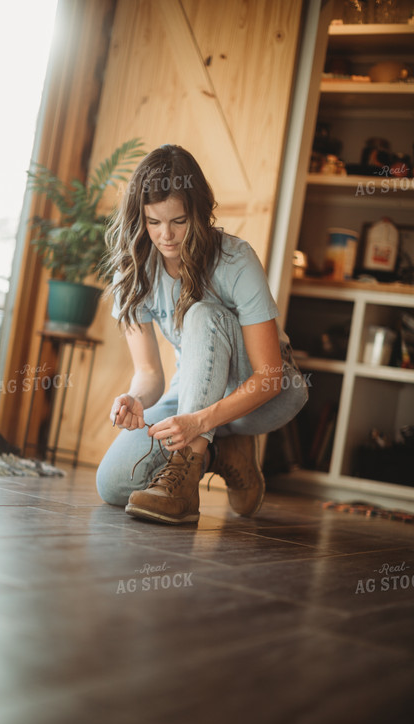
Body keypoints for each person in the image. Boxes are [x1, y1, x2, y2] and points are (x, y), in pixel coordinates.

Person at [96, 144, 307, 525]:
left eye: (178, 220)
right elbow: (150, 375)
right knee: (112, 484)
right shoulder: (134, 272)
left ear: (199, 211)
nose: (166, 236)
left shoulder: (235, 259)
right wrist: (135, 398)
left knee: (202, 313)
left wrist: (197, 423)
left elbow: (270, 377)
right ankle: (222, 453)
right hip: (194, 388)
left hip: (265, 393)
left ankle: (186, 481)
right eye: (153, 222)